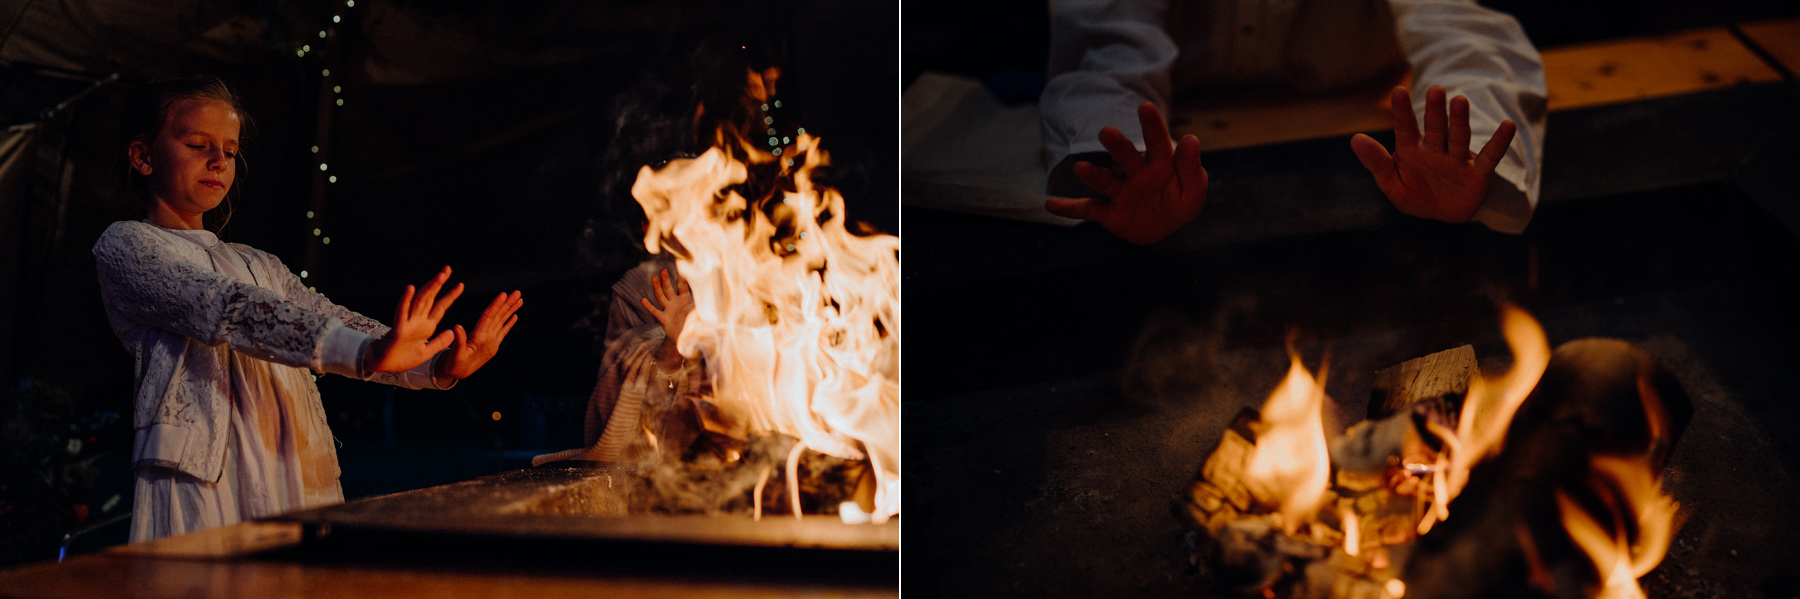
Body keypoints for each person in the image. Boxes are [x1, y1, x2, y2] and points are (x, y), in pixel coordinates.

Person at [91, 75, 524, 542]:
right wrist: (364, 352)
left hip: (289, 461)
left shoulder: (259, 262)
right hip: (208, 475)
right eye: (198, 144)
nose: (219, 161)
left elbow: (331, 318)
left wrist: (434, 362)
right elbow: (222, 306)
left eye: (231, 151)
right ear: (143, 156)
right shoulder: (128, 245)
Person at [1040, 0, 1547, 245]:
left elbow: (1466, 35)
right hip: (1186, 127)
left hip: (1354, 120)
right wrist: (1121, 160)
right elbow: (1103, 52)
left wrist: (1470, 143)